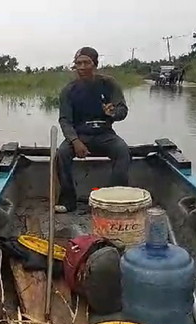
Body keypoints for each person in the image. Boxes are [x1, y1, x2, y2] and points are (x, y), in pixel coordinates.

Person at [55, 46, 131, 213]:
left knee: (122, 150)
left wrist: (112, 113)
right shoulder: (68, 90)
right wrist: (75, 141)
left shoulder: (109, 84)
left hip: (105, 134)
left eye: (86, 63)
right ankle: (68, 201)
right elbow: (65, 120)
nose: (82, 67)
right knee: (61, 153)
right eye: (78, 63)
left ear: (95, 64)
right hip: (80, 135)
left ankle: (114, 200)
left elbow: (122, 111)